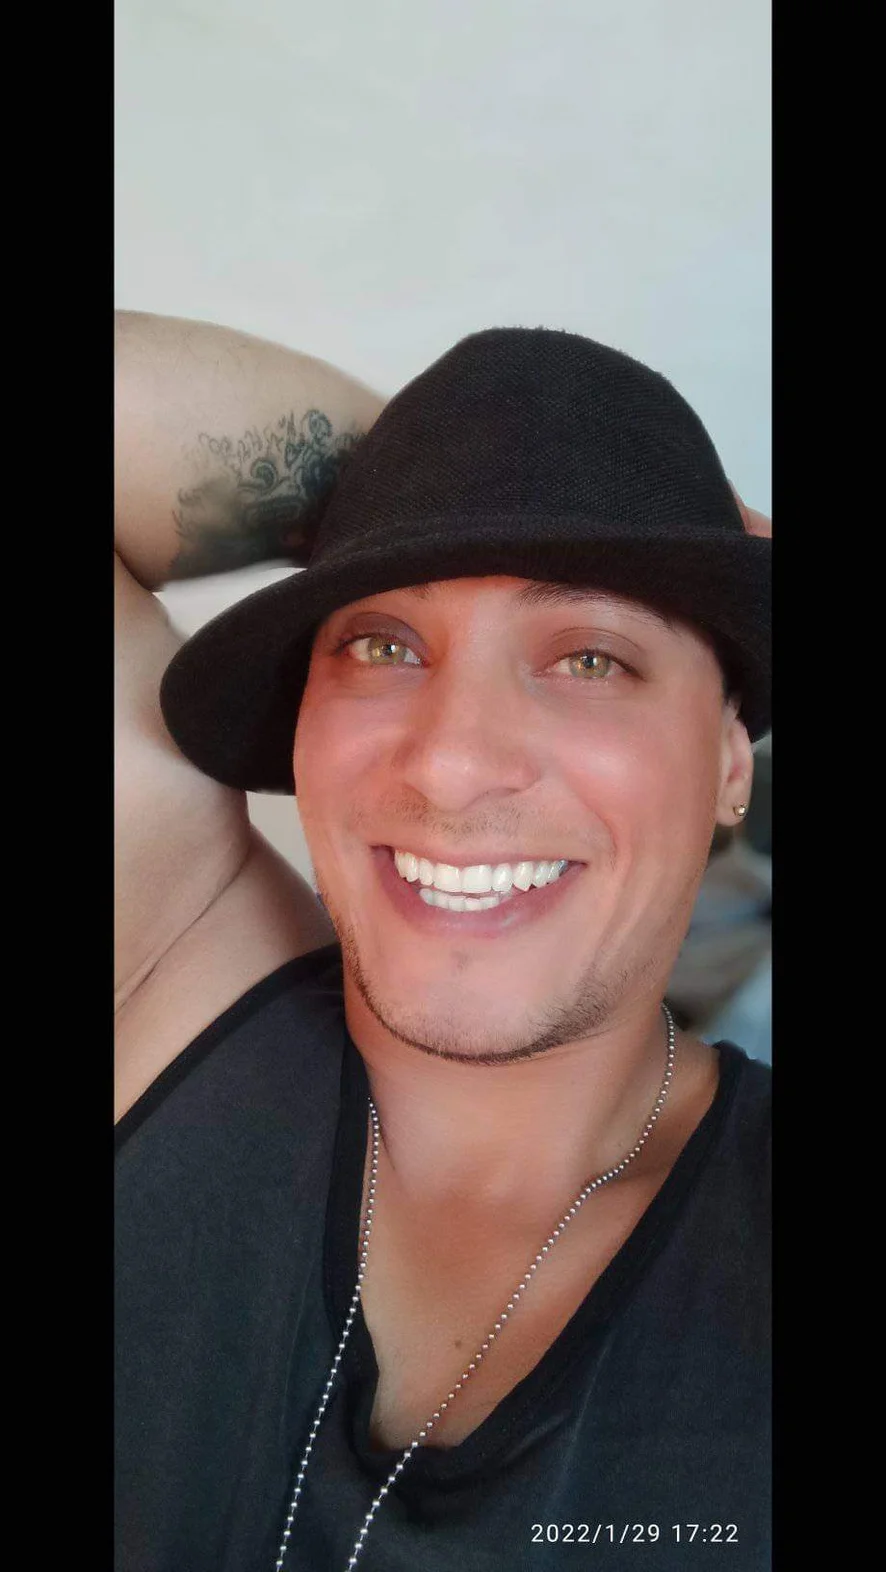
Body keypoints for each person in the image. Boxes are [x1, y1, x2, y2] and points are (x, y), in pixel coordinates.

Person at [115, 312, 772, 1571]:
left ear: (730, 760)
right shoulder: (167, 997)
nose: (453, 762)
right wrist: (441, 470)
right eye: (381, 644)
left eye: (590, 657)